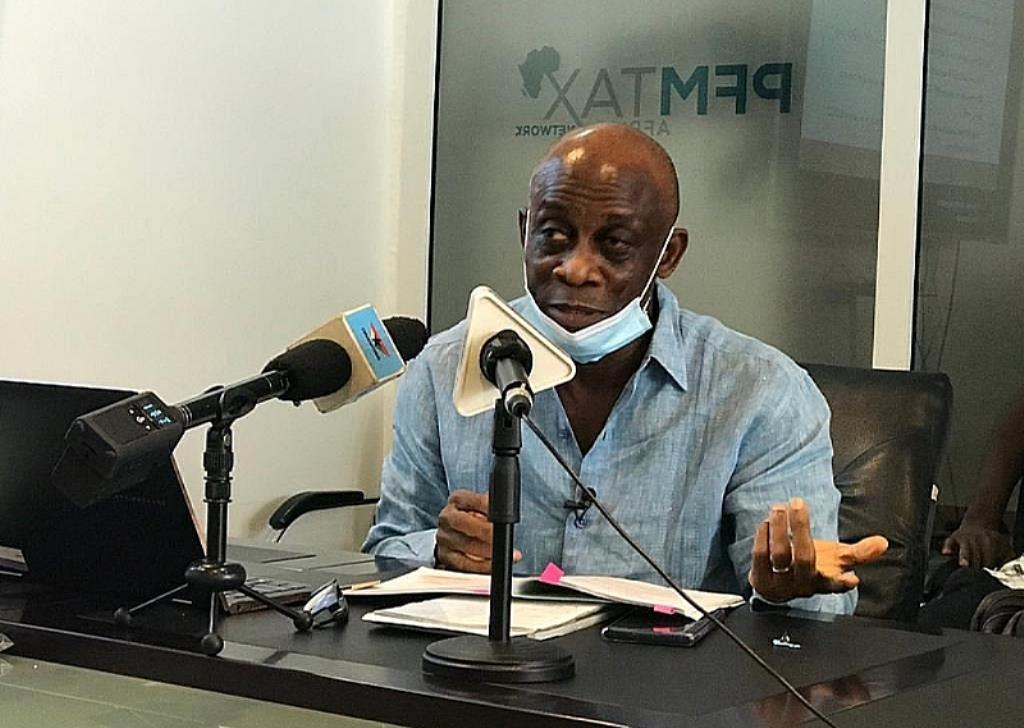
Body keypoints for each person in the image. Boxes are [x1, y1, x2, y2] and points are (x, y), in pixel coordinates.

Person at [364, 123, 887, 613]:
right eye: (554, 236)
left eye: (614, 245)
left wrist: (781, 594)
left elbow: (818, 609)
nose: (575, 269)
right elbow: (386, 553)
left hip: (665, 678)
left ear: (668, 255)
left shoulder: (760, 392)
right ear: (525, 232)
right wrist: (438, 550)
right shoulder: (443, 369)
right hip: (487, 670)